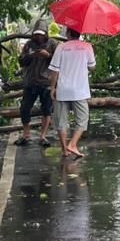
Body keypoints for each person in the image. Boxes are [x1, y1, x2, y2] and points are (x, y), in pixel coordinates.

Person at [48, 28, 95, 158]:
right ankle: (73, 144)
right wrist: (89, 54)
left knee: (61, 121)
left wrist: (53, 88)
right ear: (79, 34)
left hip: (63, 90)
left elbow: (54, 71)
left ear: (67, 34)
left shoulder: (61, 47)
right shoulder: (87, 47)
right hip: (80, 91)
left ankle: (65, 150)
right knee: (82, 120)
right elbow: (92, 67)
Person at [16, 24, 57, 146]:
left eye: (41, 34)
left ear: (45, 33)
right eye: (36, 34)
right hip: (31, 80)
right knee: (24, 108)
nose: (38, 36)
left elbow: (58, 62)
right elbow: (21, 61)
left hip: (46, 81)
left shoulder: (52, 44)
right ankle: (26, 134)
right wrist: (31, 55)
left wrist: (48, 56)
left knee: (47, 110)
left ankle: (43, 136)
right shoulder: (29, 44)